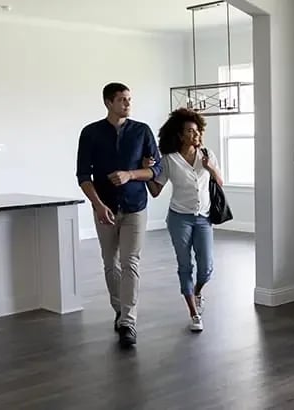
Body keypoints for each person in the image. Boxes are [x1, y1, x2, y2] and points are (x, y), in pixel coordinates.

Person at [76, 82, 162, 348]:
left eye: (129, 99)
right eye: (122, 100)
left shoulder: (142, 131)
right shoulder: (90, 133)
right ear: (108, 103)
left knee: (130, 262)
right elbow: (83, 176)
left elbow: (155, 170)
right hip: (105, 208)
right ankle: (119, 309)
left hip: (135, 205)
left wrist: (131, 174)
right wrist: (98, 205)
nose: (127, 104)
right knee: (110, 263)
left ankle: (128, 321)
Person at [145, 108, 223, 333]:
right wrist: (146, 171)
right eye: (190, 131)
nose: (196, 135)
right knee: (185, 265)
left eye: (197, 130)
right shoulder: (169, 159)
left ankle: (197, 292)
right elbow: (156, 190)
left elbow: (220, 181)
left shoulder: (207, 154)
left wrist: (209, 167)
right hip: (179, 218)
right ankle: (193, 313)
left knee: (206, 268)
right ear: (180, 135)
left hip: (204, 218)